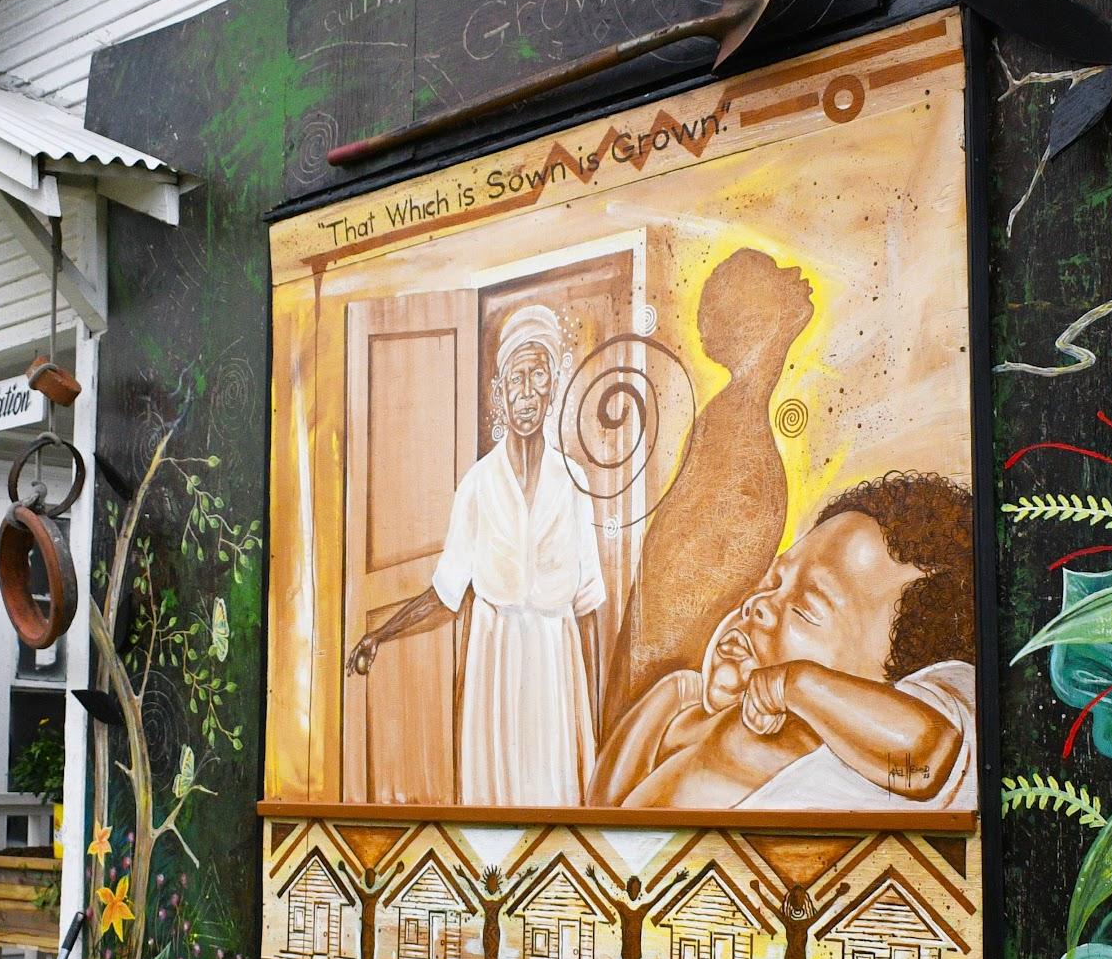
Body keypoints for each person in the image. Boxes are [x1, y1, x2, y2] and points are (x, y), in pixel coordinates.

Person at [589, 473, 979, 811]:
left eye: (807, 609)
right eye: (772, 582)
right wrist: (669, 706)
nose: (759, 605)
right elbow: (599, 819)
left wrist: (793, 683)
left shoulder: (896, 736)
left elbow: (928, 755)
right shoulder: (681, 708)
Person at [348, 304, 607, 805]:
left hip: (556, 679)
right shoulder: (478, 486)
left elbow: (588, 608)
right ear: (498, 394)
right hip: (496, 676)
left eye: (537, 378)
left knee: (559, 811)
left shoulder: (575, 482)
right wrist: (380, 634)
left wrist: (593, 722)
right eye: (516, 380)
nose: (526, 394)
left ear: (553, 388)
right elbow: (446, 594)